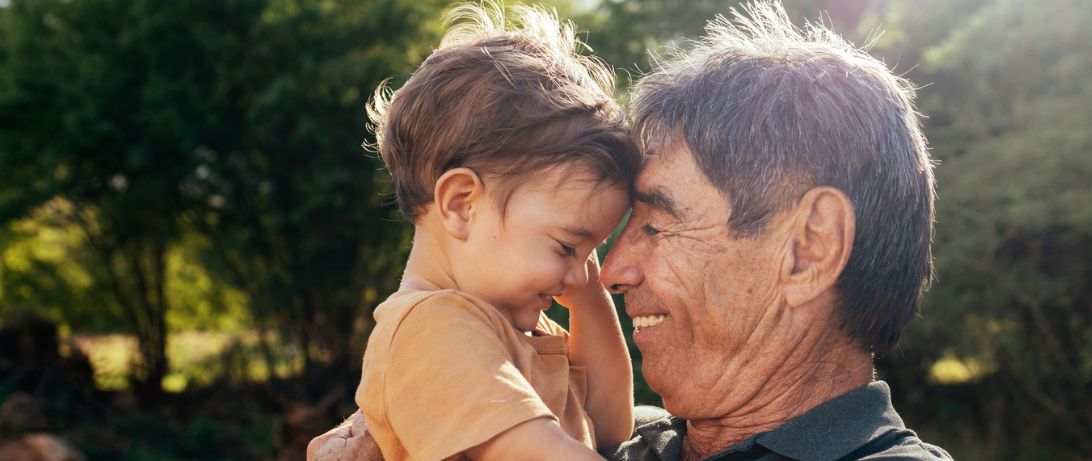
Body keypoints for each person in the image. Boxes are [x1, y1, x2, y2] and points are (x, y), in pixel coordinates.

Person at [310, 1, 952, 459]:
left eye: (657, 222)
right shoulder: (636, 441)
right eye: (579, 242)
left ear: (809, 248)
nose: (610, 272)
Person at [348, 2, 639, 460]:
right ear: (462, 205)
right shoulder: (429, 329)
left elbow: (608, 426)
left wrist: (586, 300)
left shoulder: (516, 327)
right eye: (567, 246)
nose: (582, 275)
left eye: (591, 253)